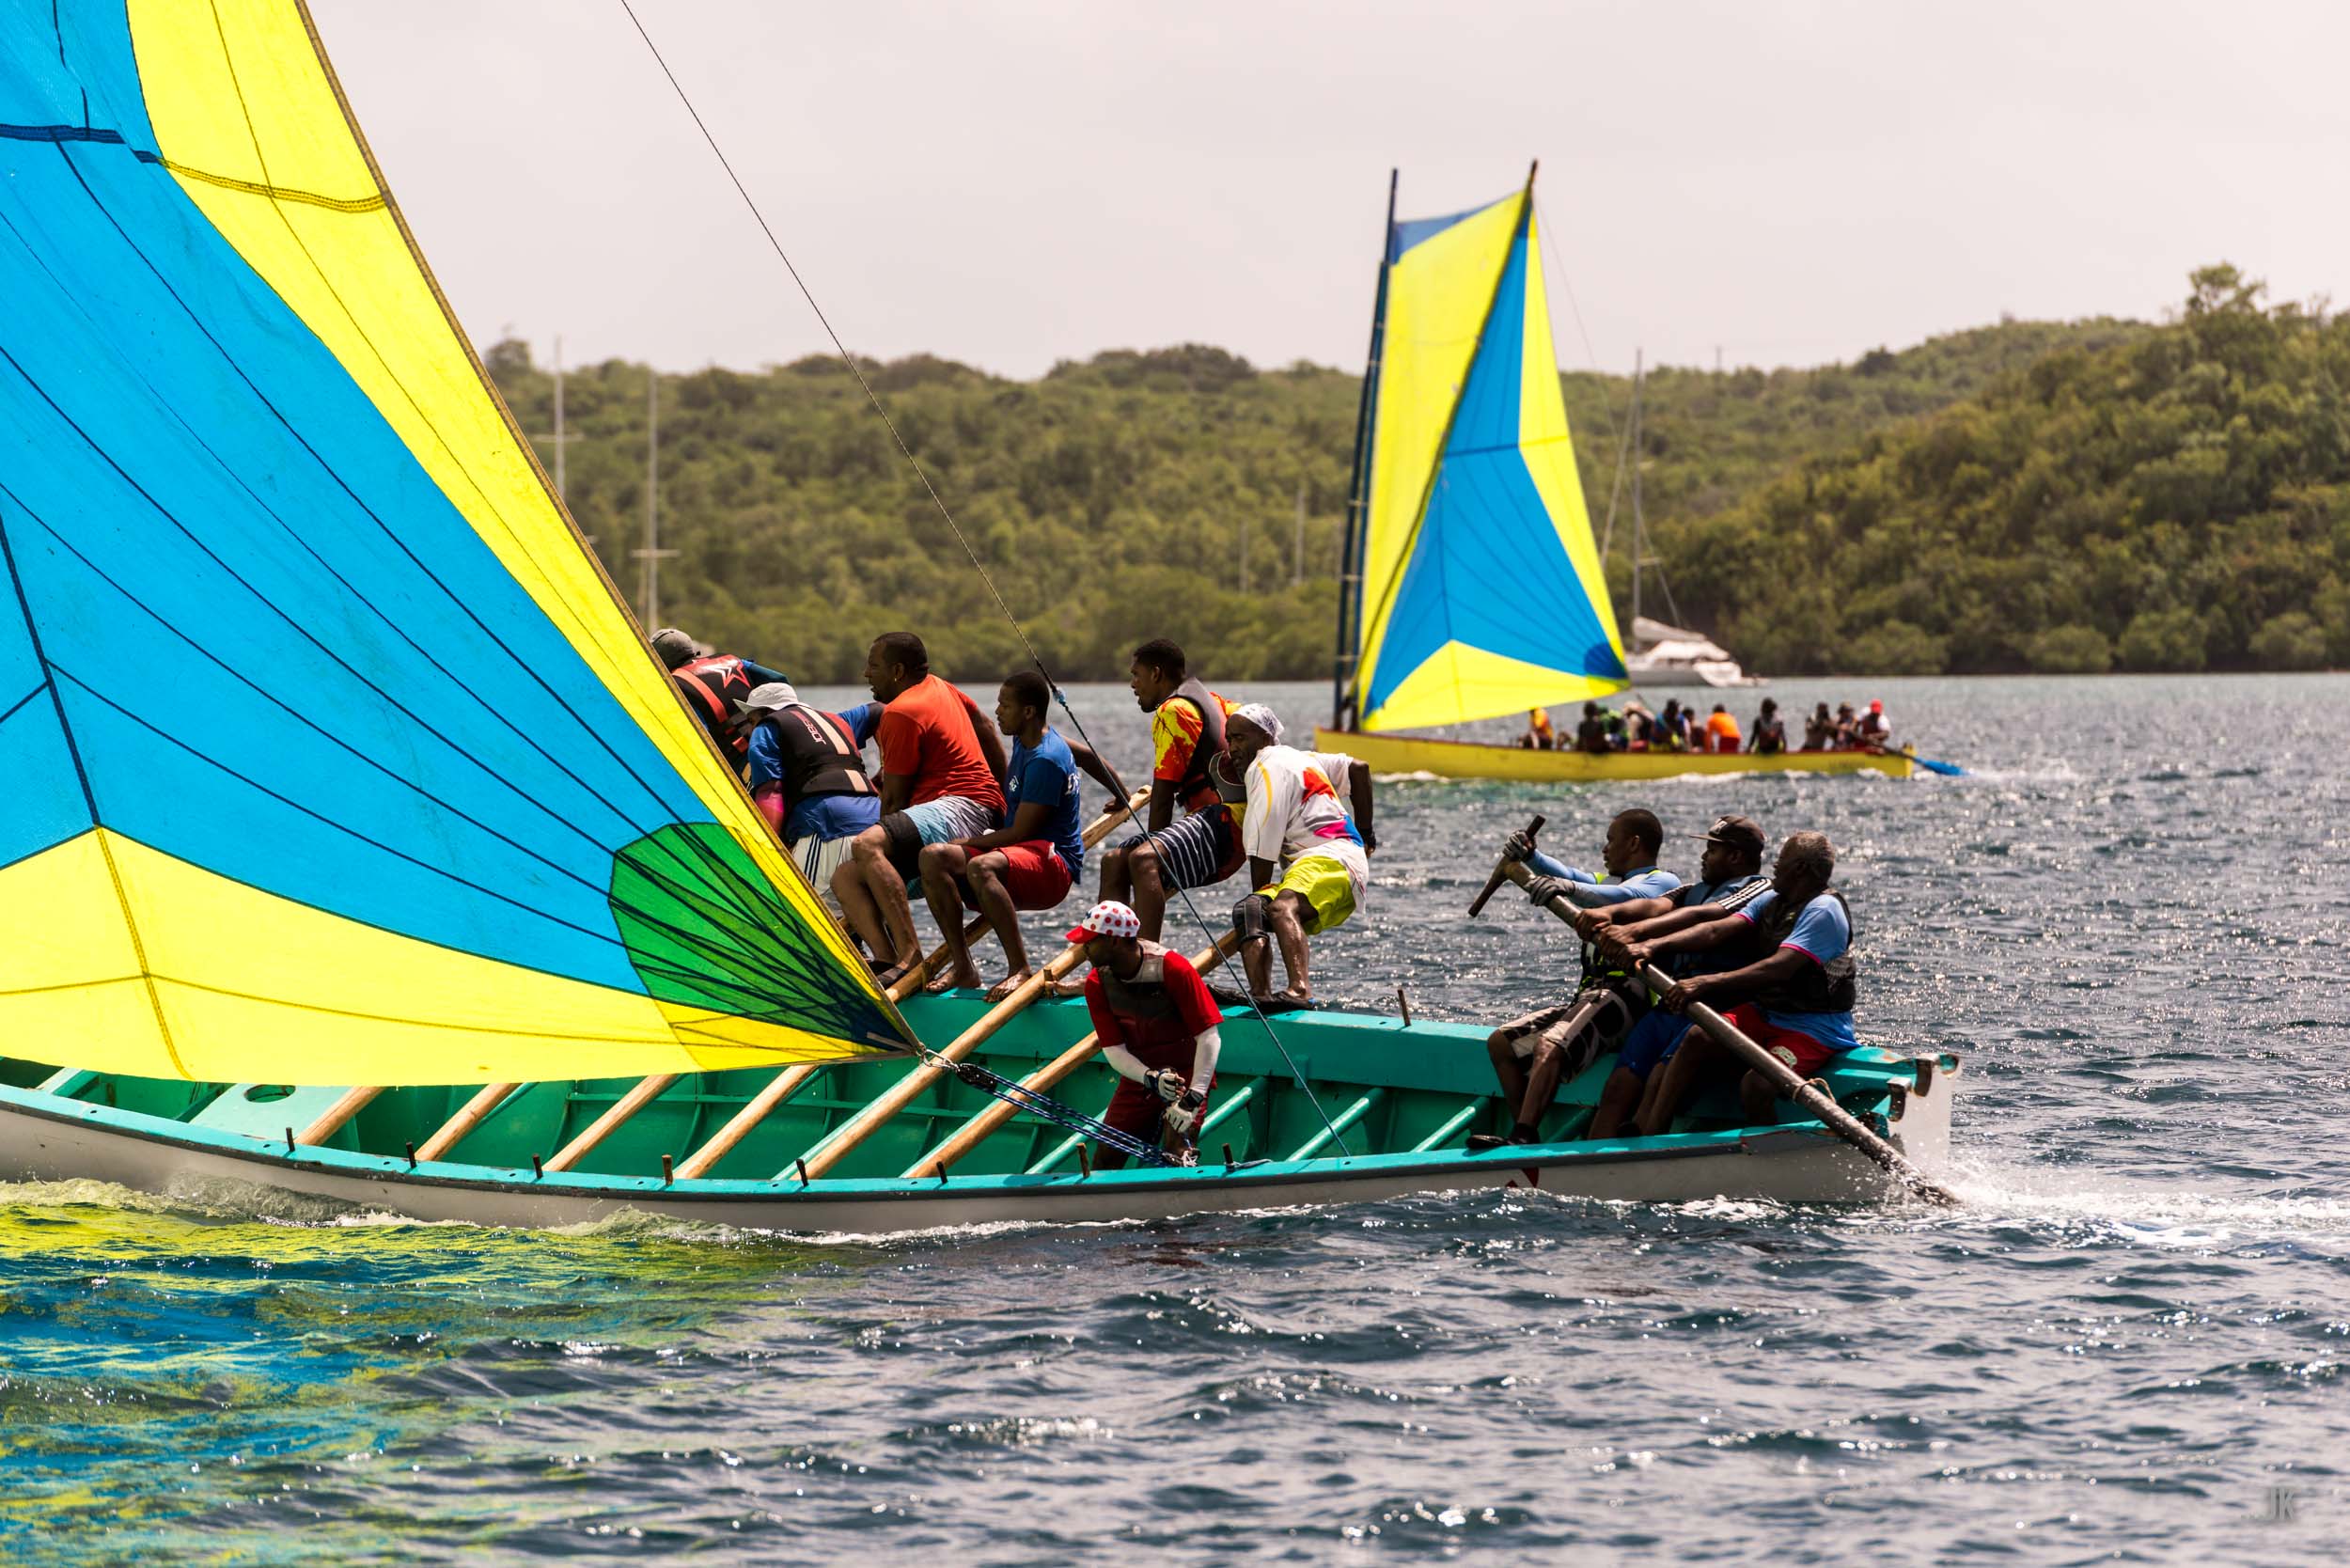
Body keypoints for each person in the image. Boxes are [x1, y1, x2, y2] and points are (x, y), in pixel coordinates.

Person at [1616, 831, 1857, 1135]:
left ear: (1799, 869)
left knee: (1755, 1084)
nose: (1774, 866)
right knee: (1697, 1037)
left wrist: (1705, 983)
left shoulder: (1824, 910)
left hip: (1813, 1029)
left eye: (1781, 860)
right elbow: (1715, 931)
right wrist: (1652, 946)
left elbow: (1778, 969)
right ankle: (1653, 1135)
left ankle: (1768, 1158)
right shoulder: (1772, 899)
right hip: (1766, 1013)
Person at [1468, 809, 1681, 1151]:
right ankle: (1524, 1136)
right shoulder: (1604, 882)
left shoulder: (1662, 882)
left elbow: (1617, 898)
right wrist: (1531, 856)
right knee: (1501, 1044)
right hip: (1590, 997)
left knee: (1550, 1044)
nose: (1604, 848)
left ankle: (1522, 1134)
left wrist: (1567, 888)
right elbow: (1568, 874)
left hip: (1627, 998)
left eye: (1611, 840)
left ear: (1634, 843)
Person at [917, 670, 1124, 999]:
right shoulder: (1026, 738)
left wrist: (969, 842)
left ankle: (1019, 969)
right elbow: (1086, 756)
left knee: (979, 867)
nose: (998, 711)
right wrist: (1121, 792)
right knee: (932, 858)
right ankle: (963, 967)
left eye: (1005, 705)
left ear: (1028, 712)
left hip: (1053, 868)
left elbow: (1020, 832)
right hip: (1019, 856)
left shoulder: (1046, 759)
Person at [1574, 816, 1772, 1137]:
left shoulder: (1757, 889)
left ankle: (1644, 1148)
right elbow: (1655, 906)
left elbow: (1707, 918)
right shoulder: (1694, 889)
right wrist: (1610, 914)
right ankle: (1592, 1158)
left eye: (1712, 850)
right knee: (1619, 1085)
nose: (1703, 857)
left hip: (1711, 1008)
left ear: (1736, 856)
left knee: (1660, 1077)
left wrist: (1637, 937)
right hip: (1671, 1004)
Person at [830, 633, 1009, 987]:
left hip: (962, 805)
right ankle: (887, 960)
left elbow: (893, 802)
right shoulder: (940, 686)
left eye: (874, 666)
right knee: (846, 877)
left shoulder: (900, 713)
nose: (867, 674)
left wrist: (881, 852)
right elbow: (986, 728)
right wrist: (1005, 796)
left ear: (897, 671)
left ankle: (911, 956)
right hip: (971, 807)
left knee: (866, 847)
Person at [1094, 639, 1241, 944]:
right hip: (1227, 828)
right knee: (1113, 861)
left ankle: (1146, 961)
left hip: (1226, 826)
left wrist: (1154, 861)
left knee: (1142, 859)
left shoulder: (1171, 712)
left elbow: (1161, 801)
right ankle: (1111, 962)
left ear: (1157, 674)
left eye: (1137, 675)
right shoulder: (1209, 698)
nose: (1133, 685)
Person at [1226, 705, 1374, 1005]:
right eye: (1229, 740)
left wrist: (1262, 892)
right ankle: (1260, 995)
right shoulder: (1302, 757)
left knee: (1280, 909)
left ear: (1266, 737)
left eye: (1240, 738)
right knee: (1248, 910)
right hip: (1340, 861)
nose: (1233, 748)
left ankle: (1299, 990)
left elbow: (1262, 850)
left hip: (1330, 858)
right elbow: (1359, 769)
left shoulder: (1264, 767)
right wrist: (1366, 834)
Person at [1070, 900, 1223, 1168]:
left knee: (1176, 1155)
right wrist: (1148, 1077)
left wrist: (1194, 1096)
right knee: (1106, 1157)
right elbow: (1114, 1049)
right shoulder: (1096, 983)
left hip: (1186, 1077)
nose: (1083, 948)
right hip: (1140, 1078)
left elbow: (1209, 1036)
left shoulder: (1174, 968)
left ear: (1114, 941)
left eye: (1090, 941)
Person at [735, 682, 883, 891]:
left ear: (765, 713)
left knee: (812, 915)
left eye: (751, 720)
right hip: (875, 828)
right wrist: (885, 769)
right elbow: (880, 710)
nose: (750, 730)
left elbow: (771, 792)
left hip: (827, 830)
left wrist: (766, 852)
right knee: (870, 917)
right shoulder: (836, 722)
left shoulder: (766, 729)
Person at [651, 627, 789, 771]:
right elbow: (779, 679)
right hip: (770, 740)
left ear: (661, 662)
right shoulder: (731, 660)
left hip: (737, 762)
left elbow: (699, 741)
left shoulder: (676, 685)